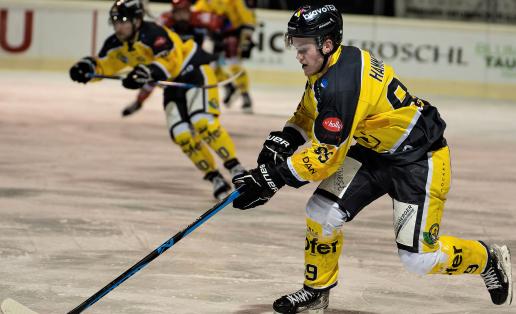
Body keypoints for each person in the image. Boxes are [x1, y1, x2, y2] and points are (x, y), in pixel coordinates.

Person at [232, 4, 513, 313]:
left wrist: (273, 178)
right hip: (374, 151)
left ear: (326, 44)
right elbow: (310, 110)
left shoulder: (343, 85)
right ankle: (317, 290)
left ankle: (487, 258)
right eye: (294, 45)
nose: (298, 54)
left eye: (303, 47)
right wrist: (287, 137)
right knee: (321, 211)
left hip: (419, 160)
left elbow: (325, 158)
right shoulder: (331, 65)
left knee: (419, 259)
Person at [69, 0, 245, 201]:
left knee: (202, 122)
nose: (118, 26)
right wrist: (88, 69)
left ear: (137, 20)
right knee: (181, 134)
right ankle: (214, 177)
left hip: (194, 70)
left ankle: (235, 167)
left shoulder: (154, 33)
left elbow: (170, 61)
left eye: (124, 20)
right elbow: (106, 64)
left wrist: (146, 72)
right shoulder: (116, 43)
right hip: (171, 84)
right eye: (115, 20)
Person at [121, 0, 225, 117]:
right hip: (173, 61)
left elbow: (224, 25)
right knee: (152, 76)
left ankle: (219, 98)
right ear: (172, 11)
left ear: (189, 10)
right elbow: (150, 35)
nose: (180, 17)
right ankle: (139, 101)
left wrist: (219, 44)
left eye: (183, 12)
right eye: (177, 12)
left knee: (206, 78)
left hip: (193, 61)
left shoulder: (202, 18)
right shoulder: (165, 20)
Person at [192, 0, 257, 113]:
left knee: (234, 64)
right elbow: (195, 14)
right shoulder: (205, 1)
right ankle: (229, 86)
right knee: (211, 67)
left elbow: (246, 16)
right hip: (214, 34)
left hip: (232, 33)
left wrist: (247, 35)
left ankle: (245, 94)